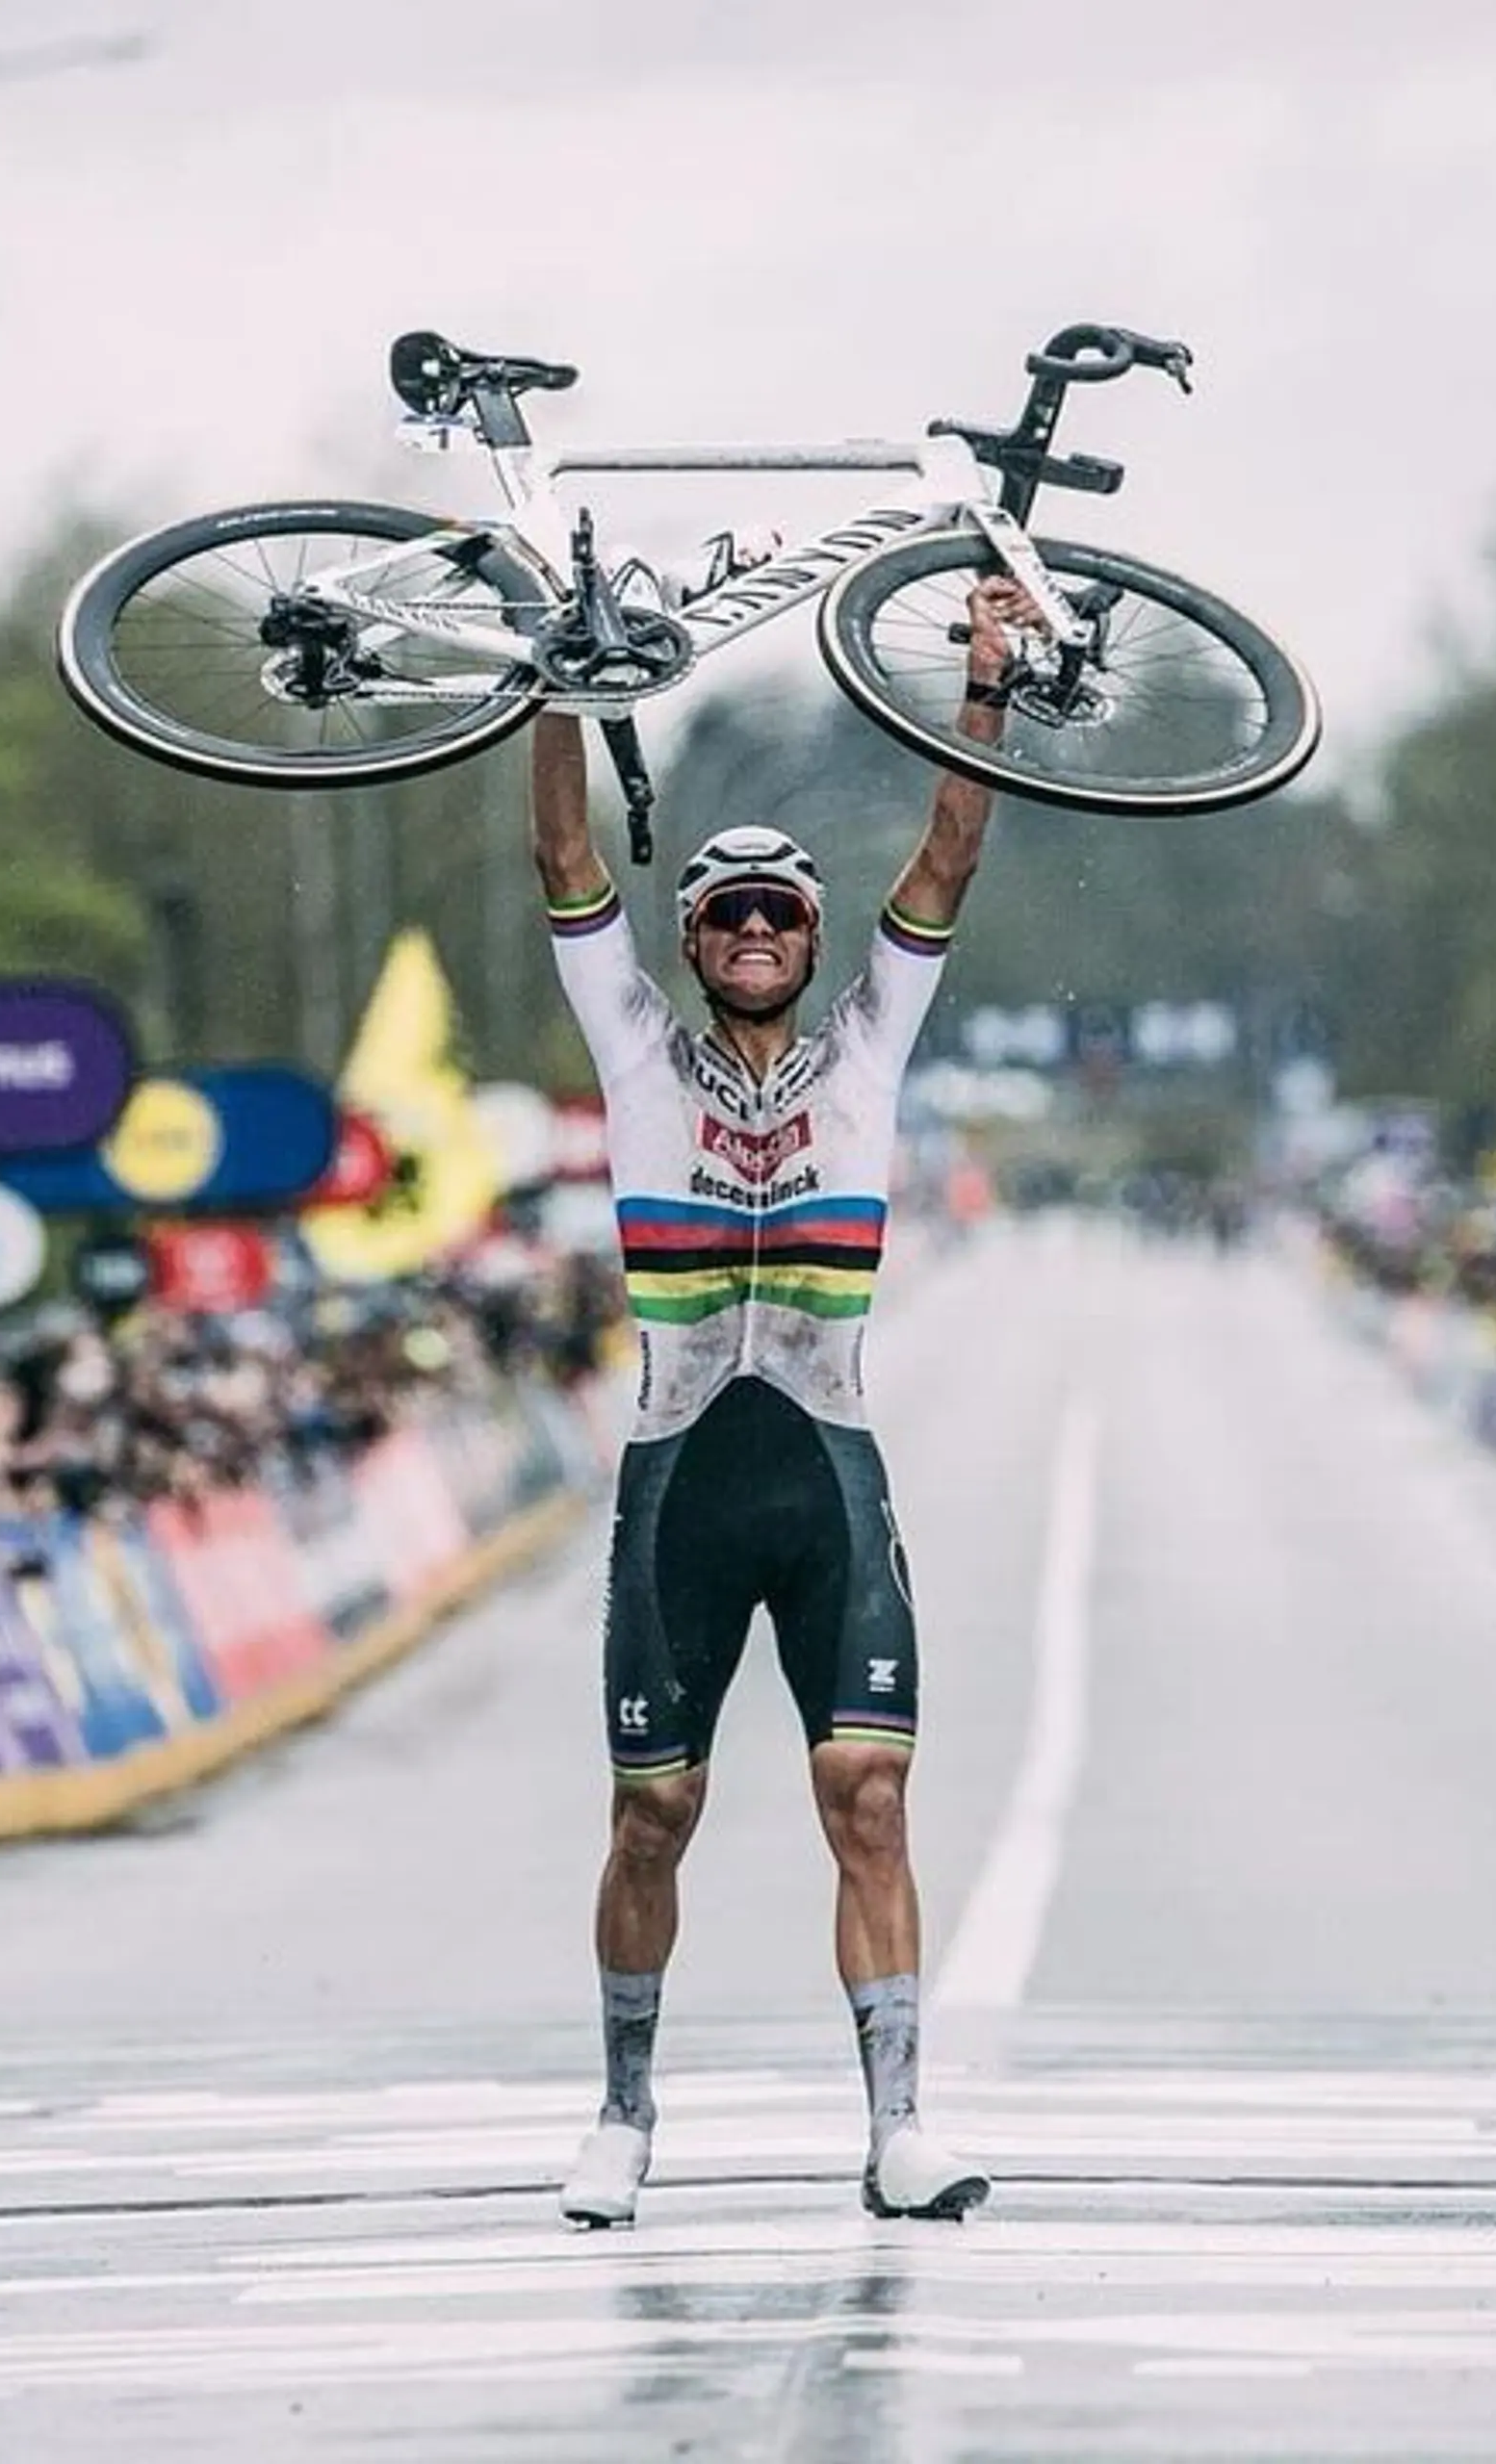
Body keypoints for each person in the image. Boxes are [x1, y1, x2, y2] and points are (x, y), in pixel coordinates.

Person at [531, 572, 1034, 2229]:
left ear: (816, 947)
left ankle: (899, 2126)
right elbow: (564, 861)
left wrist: (983, 692)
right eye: (728, 913)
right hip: (682, 1472)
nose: (755, 929)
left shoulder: (875, 1042)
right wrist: (547, 689)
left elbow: (948, 858)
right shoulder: (634, 1051)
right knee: (653, 1813)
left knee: (867, 1793)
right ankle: (622, 2114)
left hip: (825, 1468)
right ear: (692, 943)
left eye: (783, 916)